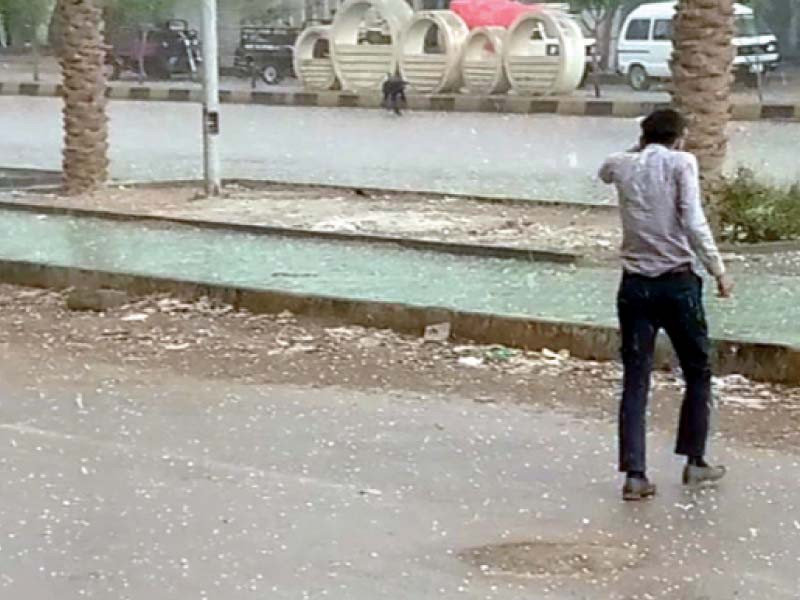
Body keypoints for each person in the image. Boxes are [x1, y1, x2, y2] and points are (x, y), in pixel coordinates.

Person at [598, 109, 734, 501]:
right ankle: (695, 459)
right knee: (697, 370)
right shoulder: (681, 162)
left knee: (636, 378)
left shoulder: (622, 165)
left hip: (634, 286)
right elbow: (693, 220)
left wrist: (640, 149)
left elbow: (605, 170)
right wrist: (719, 270)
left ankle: (635, 474)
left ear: (643, 136)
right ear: (680, 137)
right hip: (677, 283)